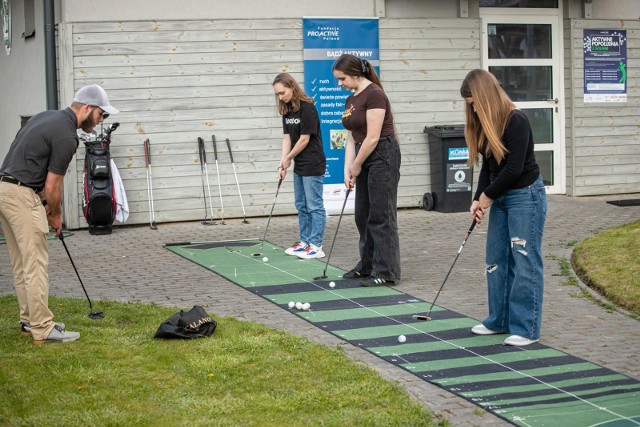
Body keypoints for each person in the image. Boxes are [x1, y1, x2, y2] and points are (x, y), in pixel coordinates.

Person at [0, 84, 118, 344]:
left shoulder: (45, 116)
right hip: (20, 196)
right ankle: (42, 327)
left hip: (5, 189)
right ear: (86, 108)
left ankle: (30, 321)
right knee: (36, 264)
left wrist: (41, 200)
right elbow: (53, 185)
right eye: (101, 114)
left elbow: (27, 160)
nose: (101, 121)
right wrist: (55, 215)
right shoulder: (67, 136)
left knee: (21, 263)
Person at [460, 69, 547, 346]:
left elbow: (513, 169)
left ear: (485, 97)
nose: (471, 107)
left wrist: (487, 196)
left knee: (524, 259)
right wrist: (477, 199)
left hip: (525, 195)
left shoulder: (516, 120)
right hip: (501, 197)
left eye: (473, 101)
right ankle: (498, 320)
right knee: (496, 260)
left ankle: (526, 328)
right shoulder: (487, 124)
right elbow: (489, 166)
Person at [332, 54, 401, 286]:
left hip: (382, 154)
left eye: (342, 79)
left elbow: (372, 137)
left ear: (354, 74)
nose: (339, 84)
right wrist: (348, 169)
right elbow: (351, 138)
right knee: (363, 214)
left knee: (381, 215)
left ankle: (386, 271)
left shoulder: (375, 95)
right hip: (363, 154)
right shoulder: (351, 100)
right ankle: (367, 265)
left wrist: (357, 164)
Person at [272, 73, 327, 259]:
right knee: (301, 205)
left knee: (314, 206)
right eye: (278, 94)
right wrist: (283, 162)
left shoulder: (307, 108)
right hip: (300, 163)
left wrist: (289, 158)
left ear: (292, 87)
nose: (281, 97)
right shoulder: (287, 110)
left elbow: (304, 139)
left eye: (282, 92)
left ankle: (316, 245)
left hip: (313, 162)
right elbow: (287, 137)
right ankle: (304, 242)